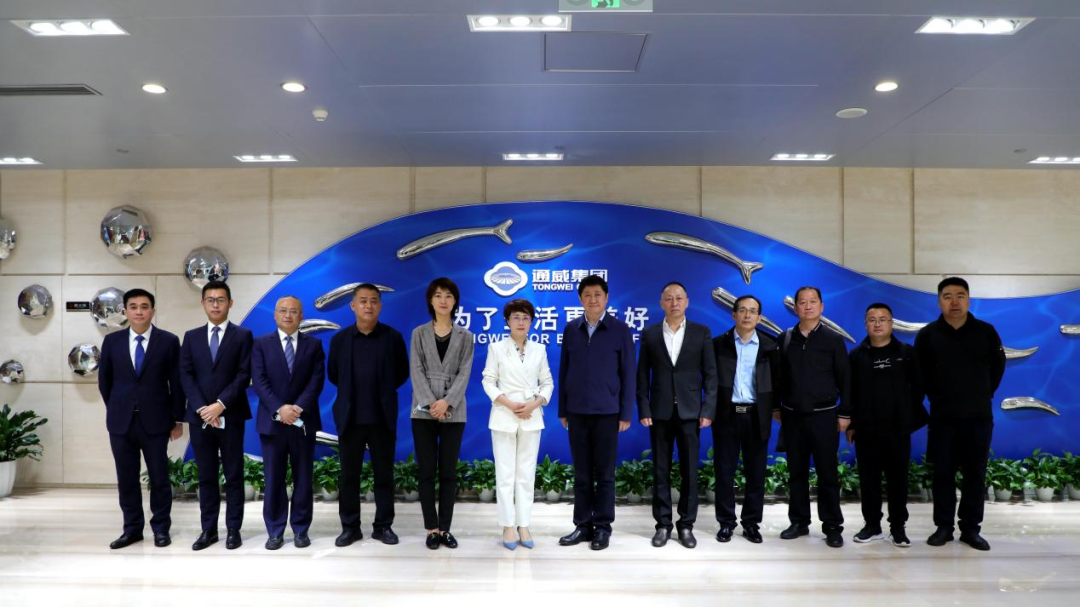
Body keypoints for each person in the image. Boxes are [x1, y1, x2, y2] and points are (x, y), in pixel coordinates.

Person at [915, 277, 1005, 551]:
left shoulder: (986, 332)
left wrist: (982, 393)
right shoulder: (928, 335)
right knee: (942, 473)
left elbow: (997, 368)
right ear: (939, 301)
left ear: (968, 299)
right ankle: (943, 527)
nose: (954, 302)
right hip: (943, 417)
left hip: (978, 417)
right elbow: (920, 374)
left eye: (960, 295)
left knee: (975, 474)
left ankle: (970, 529)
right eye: (947, 296)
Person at [98, 288, 184, 549]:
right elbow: (105, 382)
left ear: (153, 311)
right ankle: (132, 529)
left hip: (156, 421)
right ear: (125, 311)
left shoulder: (168, 341)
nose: (139, 311)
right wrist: (118, 408)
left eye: (144, 306)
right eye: (133, 307)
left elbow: (176, 383)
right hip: (121, 422)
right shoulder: (112, 342)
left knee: (159, 478)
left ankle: (161, 528)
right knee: (126, 479)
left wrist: (177, 419)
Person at [326, 284, 409, 548]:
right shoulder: (340, 340)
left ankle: (383, 527)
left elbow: (402, 373)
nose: (368, 305)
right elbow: (333, 374)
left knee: (384, 475)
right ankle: (350, 528)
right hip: (350, 418)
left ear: (380, 305)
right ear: (353, 305)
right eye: (363, 301)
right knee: (349, 476)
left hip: (382, 417)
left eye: (374, 301)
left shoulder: (393, 338)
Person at [636, 282, 718, 549]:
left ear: (687, 301)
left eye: (679, 298)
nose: (674, 303)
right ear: (661, 303)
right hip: (659, 412)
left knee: (689, 471)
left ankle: (686, 525)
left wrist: (708, 409)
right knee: (660, 470)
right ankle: (662, 525)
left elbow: (711, 374)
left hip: (690, 412)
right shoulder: (650, 333)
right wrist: (644, 407)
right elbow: (642, 374)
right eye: (669, 298)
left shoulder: (701, 332)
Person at [557, 274, 635, 551]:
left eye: (597, 294)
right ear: (580, 299)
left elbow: (628, 373)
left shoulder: (620, 329)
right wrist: (563, 409)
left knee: (605, 474)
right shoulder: (571, 329)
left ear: (606, 298)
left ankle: (602, 527)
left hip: (607, 412)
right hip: (577, 412)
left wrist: (625, 413)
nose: (592, 299)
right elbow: (564, 370)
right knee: (581, 474)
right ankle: (582, 525)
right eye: (587, 295)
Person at [179, 280, 254, 551]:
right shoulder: (191, 336)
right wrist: (203, 408)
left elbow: (244, 374)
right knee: (206, 475)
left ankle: (233, 529)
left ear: (230, 303)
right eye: (210, 300)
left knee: (234, 474)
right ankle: (208, 530)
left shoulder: (243, 335)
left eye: (220, 300)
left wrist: (220, 404)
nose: (215, 305)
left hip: (230, 415)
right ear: (202, 303)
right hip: (200, 418)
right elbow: (186, 374)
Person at [847, 302, 927, 548]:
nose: (878, 324)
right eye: (872, 319)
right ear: (865, 324)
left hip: (897, 430)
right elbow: (850, 393)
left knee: (898, 480)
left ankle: (898, 528)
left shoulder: (906, 353)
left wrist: (906, 417)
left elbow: (919, 389)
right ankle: (872, 526)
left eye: (883, 319)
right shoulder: (856, 356)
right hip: (866, 430)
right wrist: (852, 423)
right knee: (868, 480)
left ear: (891, 323)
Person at [777, 286, 851, 548]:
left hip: (824, 416)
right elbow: (778, 376)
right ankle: (799, 522)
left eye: (813, 302)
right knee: (796, 472)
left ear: (821, 306)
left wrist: (845, 413)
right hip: (792, 417)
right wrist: (776, 407)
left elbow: (845, 379)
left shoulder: (833, 339)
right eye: (802, 302)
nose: (807, 306)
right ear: (795, 307)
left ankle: (832, 526)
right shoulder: (786, 338)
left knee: (827, 473)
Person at [251, 296, 325, 550]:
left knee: (303, 478)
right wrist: (280, 409)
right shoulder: (261, 344)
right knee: (274, 479)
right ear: (275, 315)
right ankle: (275, 530)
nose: (288, 315)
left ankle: (301, 529)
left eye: (294, 311)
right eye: (283, 311)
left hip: (303, 422)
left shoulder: (313, 345)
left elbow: (316, 380)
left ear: (301, 316)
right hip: (272, 424)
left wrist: (297, 408)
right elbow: (259, 381)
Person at [481, 298, 553, 550]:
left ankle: (524, 524)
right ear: (507, 321)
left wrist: (534, 404)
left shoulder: (539, 349)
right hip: (504, 415)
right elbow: (488, 380)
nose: (521, 322)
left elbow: (548, 383)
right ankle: (508, 526)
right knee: (505, 475)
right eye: (516, 317)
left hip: (531, 417)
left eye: (525, 318)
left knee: (526, 475)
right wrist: (510, 404)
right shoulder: (496, 348)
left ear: (531, 322)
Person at [410, 277, 474, 550]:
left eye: (448, 295)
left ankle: (445, 528)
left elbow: (465, 373)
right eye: (438, 295)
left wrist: (446, 402)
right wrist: (430, 403)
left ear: (455, 301)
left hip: (454, 411)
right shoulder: (418, 333)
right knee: (426, 472)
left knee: (448, 472)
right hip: (422, 412)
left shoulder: (466, 336)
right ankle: (431, 529)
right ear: (430, 300)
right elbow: (416, 370)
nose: (443, 300)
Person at [712, 294, 779, 544]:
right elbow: (708, 380)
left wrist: (775, 409)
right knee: (724, 472)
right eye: (742, 310)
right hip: (727, 415)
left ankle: (751, 523)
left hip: (756, 415)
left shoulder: (771, 347)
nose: (747, 315)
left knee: (756, 473)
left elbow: (778, 382)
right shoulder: (718, 344)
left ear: (759, 317)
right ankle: (726, 523)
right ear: (734, 315)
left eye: (752, 311)